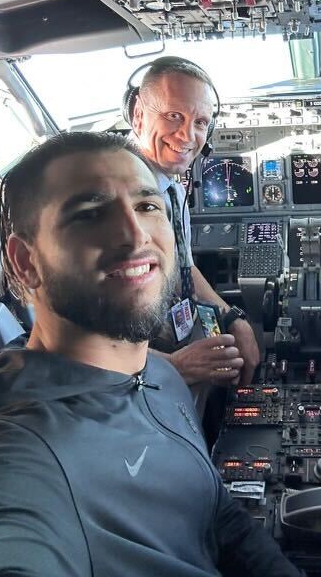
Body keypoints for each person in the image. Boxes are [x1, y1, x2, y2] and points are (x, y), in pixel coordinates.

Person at [0, 132, 302, 577]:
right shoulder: (22, 450)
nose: (135, 235)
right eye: (90, 214)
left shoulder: (159, 373)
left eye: (146, 206)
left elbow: (217, 515)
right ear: (25, 262)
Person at [125, 57, 260, 402]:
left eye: (200, 122)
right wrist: (174, 367)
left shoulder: (172, 188)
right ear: (138, 114)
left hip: (171, 344)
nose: (188, 135)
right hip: (132, 384)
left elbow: (182, 265)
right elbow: (85, 334)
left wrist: (233, 318)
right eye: (174, 116)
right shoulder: (116, 200)